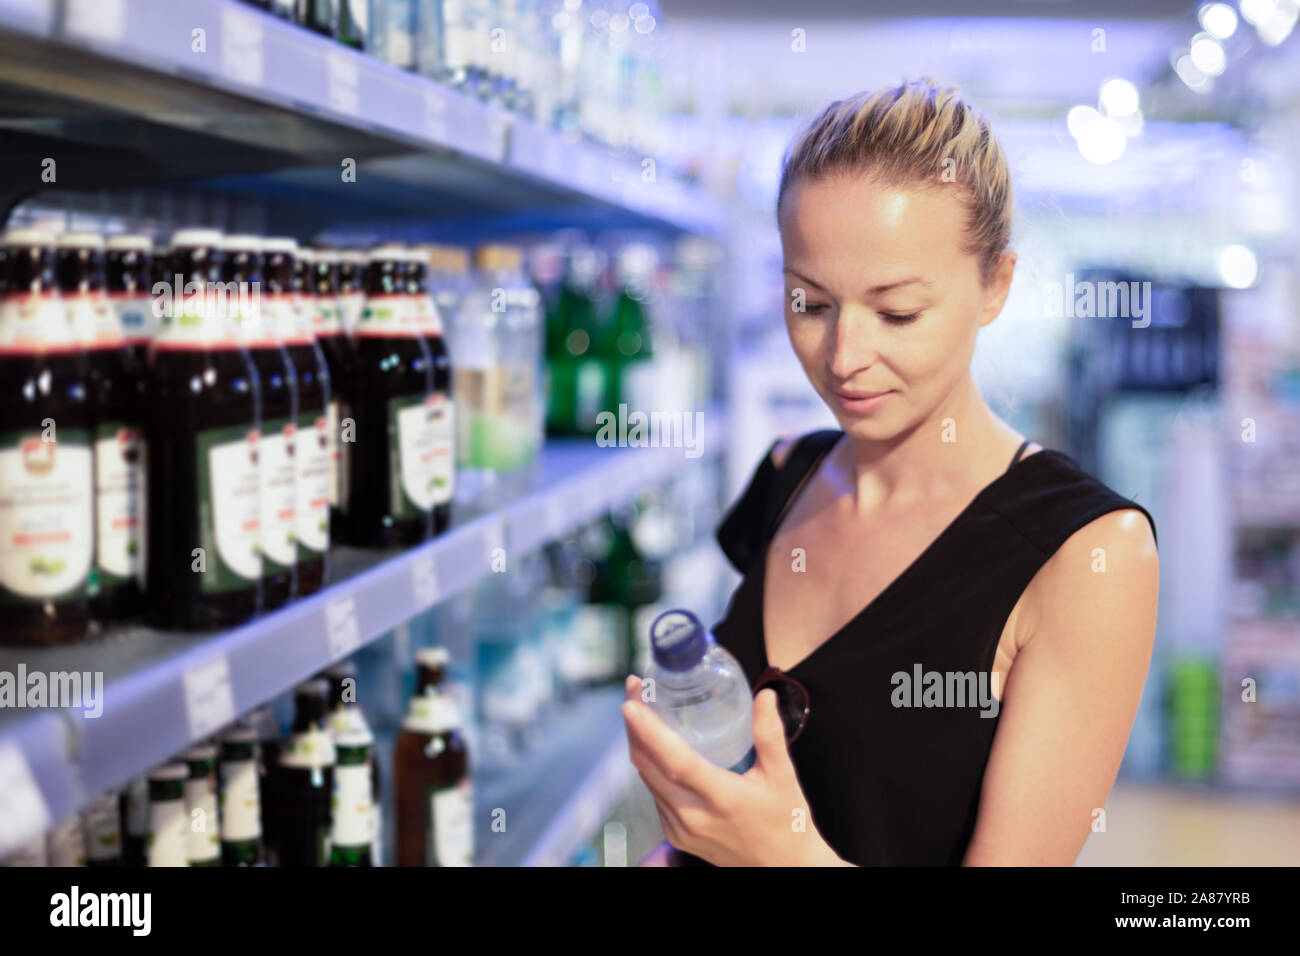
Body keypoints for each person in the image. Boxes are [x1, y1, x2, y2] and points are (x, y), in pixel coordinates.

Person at [621, 78, 1160, 867]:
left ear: (995, 285)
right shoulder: (790, 474)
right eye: (810, 303)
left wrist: (782, 857)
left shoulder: (1087, 553)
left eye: (898, 312)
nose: (843, 359)